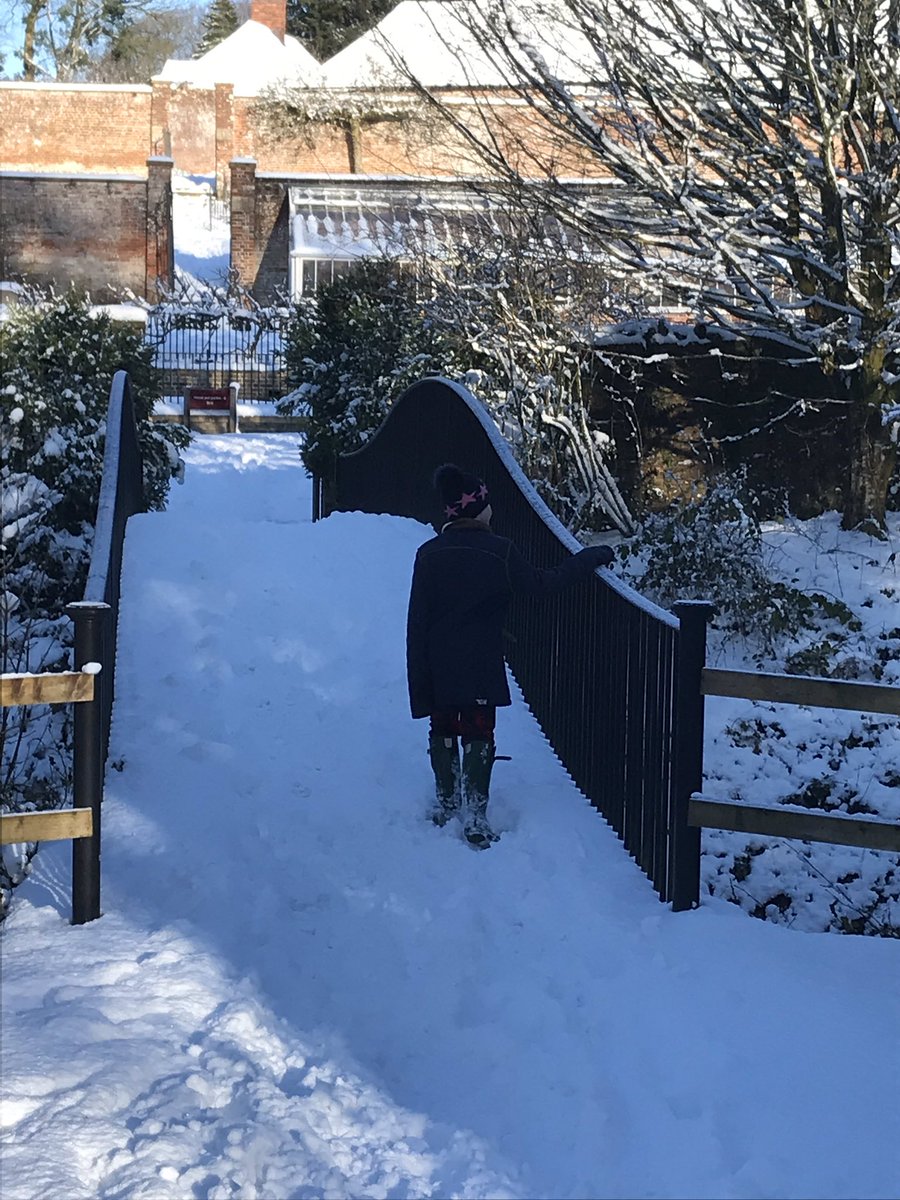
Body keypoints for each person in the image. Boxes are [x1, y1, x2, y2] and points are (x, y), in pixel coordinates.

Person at [406, 463, 615, 849]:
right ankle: (475, 814)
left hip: (438, 663)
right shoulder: (499, 552)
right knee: (479, 731)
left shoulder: (428, 555)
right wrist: (587, 559)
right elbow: (542, 584)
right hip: (481, 662)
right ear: (477, 509)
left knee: (443, 729)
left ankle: (448, 803)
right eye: (487, 505)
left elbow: (417, 621)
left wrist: (419, 678)